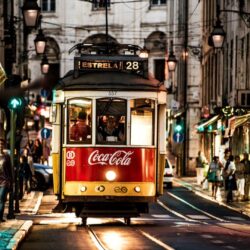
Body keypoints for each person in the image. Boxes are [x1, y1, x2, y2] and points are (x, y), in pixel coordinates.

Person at [0, 139, 12, 222]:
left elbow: (10, 170)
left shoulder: (6, 156)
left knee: (1, 198)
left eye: (1, 144)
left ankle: (0, 217)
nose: (0, 145)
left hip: (4, 181)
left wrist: (11, 181)